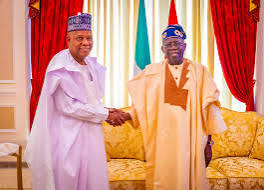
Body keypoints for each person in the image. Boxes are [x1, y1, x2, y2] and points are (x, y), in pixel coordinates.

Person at [24, 13, 125, 190]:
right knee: (69, 181)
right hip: (68, 139)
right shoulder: (60, 65)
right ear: (68, 39)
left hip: (91, 135)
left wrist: (107, 109)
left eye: (89, 38)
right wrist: (106, 114)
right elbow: (67, 106)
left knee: (92, 181)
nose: (86, 42)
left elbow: (89, 99)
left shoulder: (90, 64)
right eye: (79, 38)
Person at [123, 24, 227, 190]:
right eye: (168, 44)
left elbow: (209, 108)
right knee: (163, 180)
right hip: (161, 142)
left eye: (177, 43)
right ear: (162, 48)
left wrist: (209, 143)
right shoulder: (151, 72)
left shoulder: (200, 72)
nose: (173, 48)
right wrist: (124, 115)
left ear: (184, 46)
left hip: (191, 140)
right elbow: (142, 106)